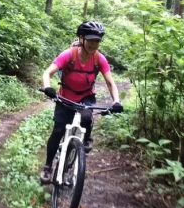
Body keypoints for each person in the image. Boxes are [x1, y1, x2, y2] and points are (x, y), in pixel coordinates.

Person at [40, 21, 123, 184]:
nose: (94, 44)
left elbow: (110, 82)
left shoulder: (99, 59)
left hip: (86, 96)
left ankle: (87, 138)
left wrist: (117, 101)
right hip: (65, 96)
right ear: (81, 38)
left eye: (97, 41)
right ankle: (48, 166)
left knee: (86, 117)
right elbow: (47, 73)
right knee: (58, 130)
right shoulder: (68, 55)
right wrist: (48, 88)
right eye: (91, 40)